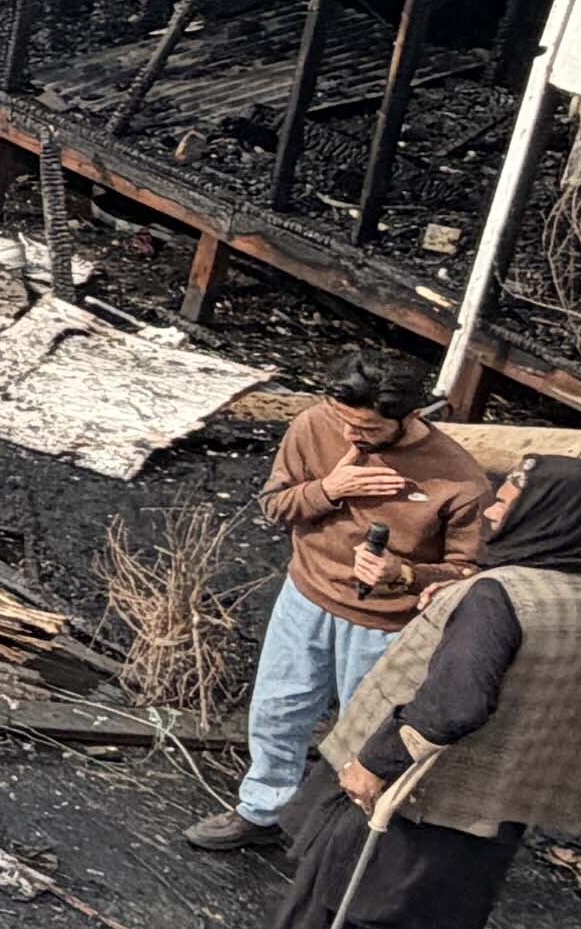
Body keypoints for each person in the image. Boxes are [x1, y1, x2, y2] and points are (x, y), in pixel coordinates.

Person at [206, 454, 581, 929]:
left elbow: (455, 703)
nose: (496, 509)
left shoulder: (498, 597)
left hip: (422, 780)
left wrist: (377, 762)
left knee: (333, 887)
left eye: (511, 499)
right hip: (511, 786)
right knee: (428, 895)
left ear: (545, 512)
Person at [186, 357, 500, 859]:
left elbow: (470, 574)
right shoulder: (315, 424)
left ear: (411, 416)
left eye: (368, 428)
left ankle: (343, 836)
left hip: (388, 626)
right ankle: (261, 809)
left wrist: (406, 574)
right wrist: (329, 490)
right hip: (306, 595)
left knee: (366, 734)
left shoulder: (461, 480)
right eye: (345, 421)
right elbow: (274, 505)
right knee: (278, 709)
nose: (353, 436)